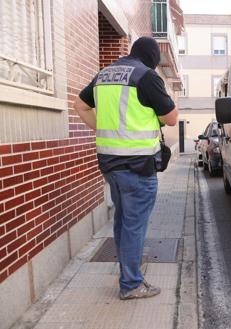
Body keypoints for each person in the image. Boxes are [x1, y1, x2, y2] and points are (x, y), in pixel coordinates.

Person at [73, 37, 178, 300]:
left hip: (110, 164)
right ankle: (131, 284)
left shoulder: (103, 75)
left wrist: (103, 129)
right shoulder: (146, 76)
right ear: (153, 60)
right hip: (138, 166)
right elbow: (171, 118)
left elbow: (80, 106)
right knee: (134, 225)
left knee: (122, 221)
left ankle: (127, 275)